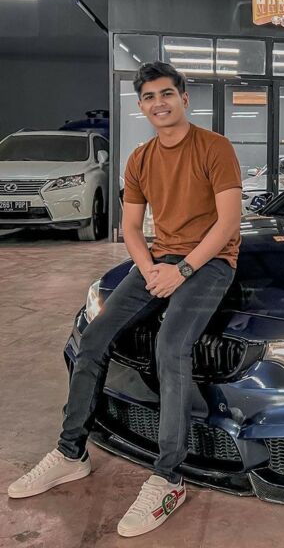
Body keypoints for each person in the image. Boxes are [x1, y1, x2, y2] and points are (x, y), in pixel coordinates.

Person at [7, 61, 243, 538]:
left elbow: (228, 223)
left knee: (170, 346)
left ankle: (168, 476)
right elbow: (130, 228)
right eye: (149, 97)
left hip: (212, 261)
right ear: (141, 106)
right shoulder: (140, 158)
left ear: (183, 98)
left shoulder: (214, 147)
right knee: (93, 340)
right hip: (159, 259)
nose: (159, 103)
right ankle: (71, 453)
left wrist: (182, 271)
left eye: (167, 93)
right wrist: (150, 267)